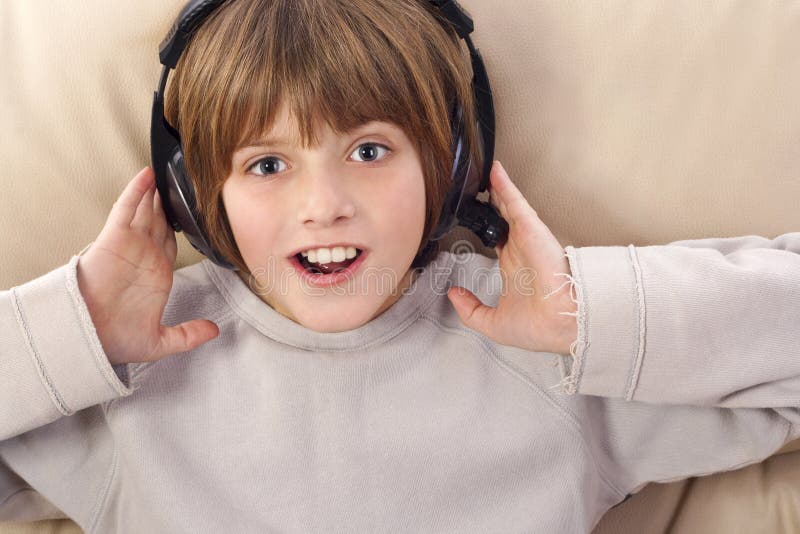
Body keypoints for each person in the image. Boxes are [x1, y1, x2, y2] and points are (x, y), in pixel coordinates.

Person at [1, 0, 798, 532]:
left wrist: (588, 314)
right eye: (268, 166)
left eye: (369, 150)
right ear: (195, 195)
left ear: (451, 167)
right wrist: (72, 335)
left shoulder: (545, 345)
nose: (324, 205)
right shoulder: (124, 372)